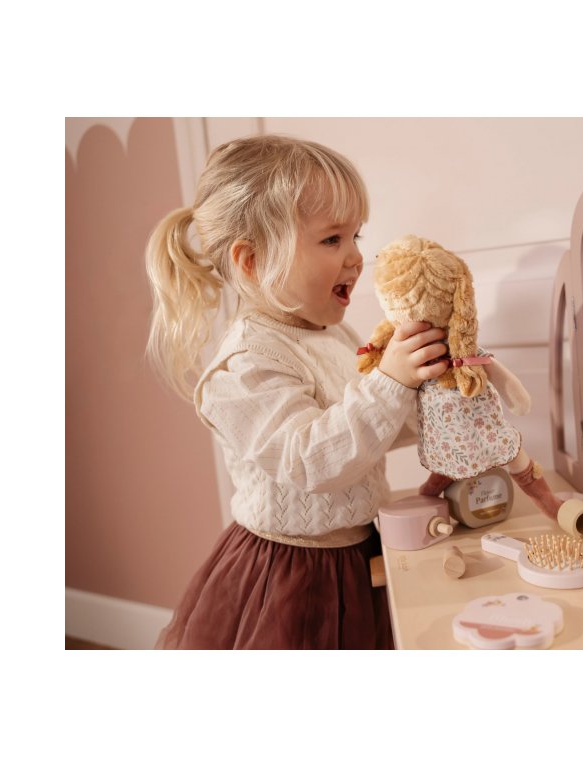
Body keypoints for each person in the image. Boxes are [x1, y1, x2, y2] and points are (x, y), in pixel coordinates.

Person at [144, 135, 449, 649]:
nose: (356, 257)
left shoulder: (334, 334)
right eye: (332, 240)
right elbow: (312, 460)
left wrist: (432, 390)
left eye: (355, 235)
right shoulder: (244, 366)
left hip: (360, 552)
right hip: (291, 576)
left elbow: (366, 427)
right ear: (252, 261)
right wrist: (391, 381)